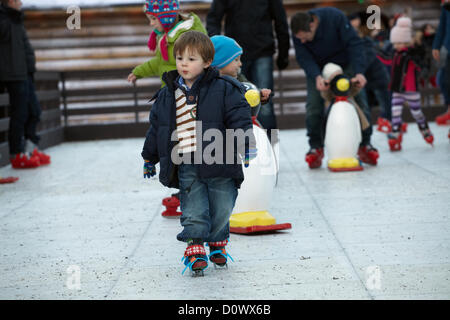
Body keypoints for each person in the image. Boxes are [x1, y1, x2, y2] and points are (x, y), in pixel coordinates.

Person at [141, 31, 256, 276]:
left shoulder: (225, 88)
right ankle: (194, 246)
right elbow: (157, 128)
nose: (183, 63)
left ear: (207, 62)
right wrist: (149, 157)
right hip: (185, 160)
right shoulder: (167, 94)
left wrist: (244, 144)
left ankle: (216, 241)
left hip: (220, 157)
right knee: (192, 206)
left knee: (223, 204)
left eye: (191, 59)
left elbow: (239, 117)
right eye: (180, 57)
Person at [290, 8, 379, 169]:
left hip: (346, 64)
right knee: (313, 105)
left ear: (313, 24)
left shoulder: (335, 17)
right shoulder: (298, 32)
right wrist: (316, 75)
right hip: (318, 68)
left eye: (305, 37)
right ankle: (315, 146)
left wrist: (359, 72)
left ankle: (365, 144)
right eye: (299, 39)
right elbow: (303, 56)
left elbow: (354, 44)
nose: (302, 41)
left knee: (360, 101)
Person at [206, 0, 290, 142]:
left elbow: (280, 19)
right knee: (236, 100)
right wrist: (218, 48)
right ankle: (242, 146)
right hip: (232, 55)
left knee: (264, 102)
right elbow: (214, 18)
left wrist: (283, 54)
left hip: (262, 51)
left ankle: (271, 147)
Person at [0, 0, 50, 169]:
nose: (21, 3)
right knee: (19, 114)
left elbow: (23, 47)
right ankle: (17, 153)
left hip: (25, 73)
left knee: (34, 110)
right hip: (13, 73)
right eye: (18, 0)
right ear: (11, 2)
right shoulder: (5, 19)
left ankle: (30, 148)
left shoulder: (16, 19)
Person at [127, 0, 206, 87]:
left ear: (166, 17)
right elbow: (162, 63)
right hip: (170, 91)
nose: (151, 23)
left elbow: (195, 69)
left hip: (183, 94)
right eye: (149, 19)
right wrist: (139, 72)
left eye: (153, 18)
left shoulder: (187, 39)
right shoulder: (166, 36)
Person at [387, 17, 434, 151]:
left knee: (416, 112)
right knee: (395, 112)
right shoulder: (395, 54)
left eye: (399, 42)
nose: (396, 46)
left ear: (406, 42)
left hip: (411, 89)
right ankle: (395, 132)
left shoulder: (412, 55)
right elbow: (386, 60)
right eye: (394, 43)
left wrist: (423, 69)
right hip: (397, 89)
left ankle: (424, 128)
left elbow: (421, 66)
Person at [210, 35, 272, 107]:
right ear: (221, 61)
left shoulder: (239, 79)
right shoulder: (206, 83)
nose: (240, 64)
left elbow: (247, 90)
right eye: (236, 60)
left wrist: (259, 94)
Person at [433, 0, 450, 125]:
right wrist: (436, 45)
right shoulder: (446, 6)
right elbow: (442, 26)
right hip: (448, 47)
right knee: (445, 80)